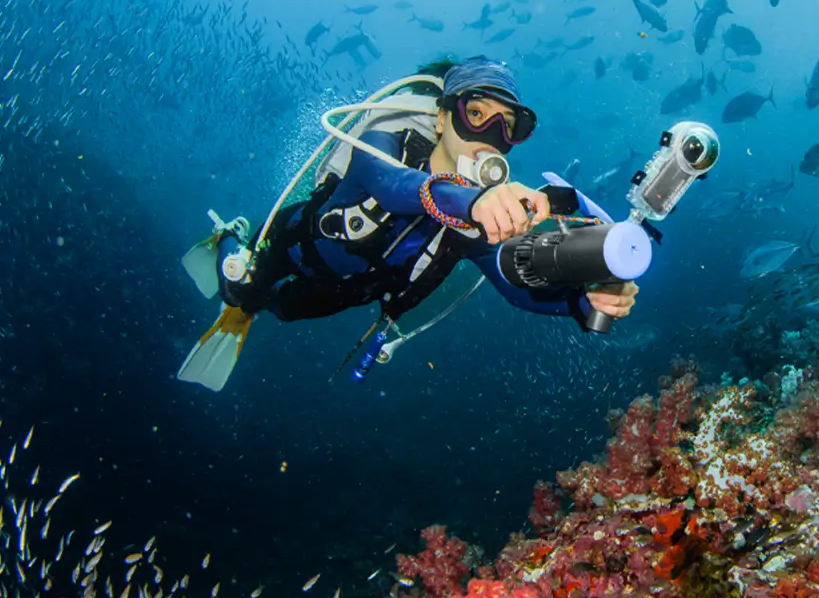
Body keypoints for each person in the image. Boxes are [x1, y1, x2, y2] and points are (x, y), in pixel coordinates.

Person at [178, 57, 638, 391]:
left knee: (282, 309)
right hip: (298, 243)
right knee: (239, 292)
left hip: (348, 292)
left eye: (508, 127)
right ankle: (231, 236)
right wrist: (474, 201)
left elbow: (513, 286)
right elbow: (391, 184)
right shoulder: (385, 144)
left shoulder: (477, 222)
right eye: (476, 114)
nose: (490, 137)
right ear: (441, 118)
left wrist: (581, 301)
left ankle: (256, 304)